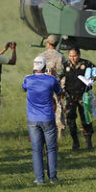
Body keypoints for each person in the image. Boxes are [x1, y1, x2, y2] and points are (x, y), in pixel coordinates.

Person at [22, 56, 63, 184]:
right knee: (51, 149)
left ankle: (39, 179)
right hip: (48, 118)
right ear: (45, 67)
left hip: (33, 119)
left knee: (37, 150)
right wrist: (50, 75)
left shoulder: (28, 79)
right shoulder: (51, 80)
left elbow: (24, 88)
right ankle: (53, 177)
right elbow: (59, 91)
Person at [61, 47, 96, 150]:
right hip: (70, 96)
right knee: (70, 119)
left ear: (79, 55)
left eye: (74, 56)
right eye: (70, 56)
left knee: (86, 120)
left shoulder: (86, 64)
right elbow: (59, 76)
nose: (72, 58)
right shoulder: (65, 65)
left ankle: (89, 143)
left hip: (84, 96)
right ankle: (75, 143)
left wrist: (93, 79)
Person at [40, 35, 66, 136]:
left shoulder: (41, 56)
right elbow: (63, 73)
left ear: (48, 44)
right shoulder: (60, 56)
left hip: (43, 86)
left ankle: (45, 129)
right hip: (56, 85)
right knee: (58, 106)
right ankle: (60, 131)